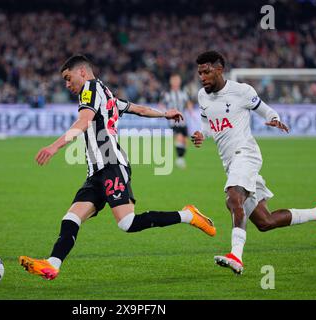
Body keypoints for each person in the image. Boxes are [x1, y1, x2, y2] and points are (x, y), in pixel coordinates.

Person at [19, 55, 216, 281]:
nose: (67, 84)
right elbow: (137, 109)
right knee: (71, 218)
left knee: (127, 223)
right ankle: (52, 265)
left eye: (68, 77)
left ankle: (188, 215)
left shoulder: (90, 89)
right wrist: (164, 113)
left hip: (111, 165)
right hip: (96, 172)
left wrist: (54, 147)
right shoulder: (107, 93)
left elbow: (83, 122)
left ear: (82, 72)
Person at [191, 51, 316, 275]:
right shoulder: (202, 96)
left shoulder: (242, 91)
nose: (202, 77)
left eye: (207, 72)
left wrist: (275, 118)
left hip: (246, 154)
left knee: (233, 199)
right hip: (231, 162)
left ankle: (236, 256)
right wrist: (202, 134)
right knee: (265, 222)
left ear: (219, 69)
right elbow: (207, 124)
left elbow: (265, 109)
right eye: (200, 72)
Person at [160, 74, 194, 169]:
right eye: (174, 80)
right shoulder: (166, 94)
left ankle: (181, 158)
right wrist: (165, 112)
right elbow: (161, 104)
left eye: (177, 80)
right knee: (179, 137)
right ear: (171, 82)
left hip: (183, 120)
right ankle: (179, 159)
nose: (176, 82)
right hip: (173, 121)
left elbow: (188, 103)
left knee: (185, 141)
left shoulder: (183, 93)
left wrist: (191, 110)